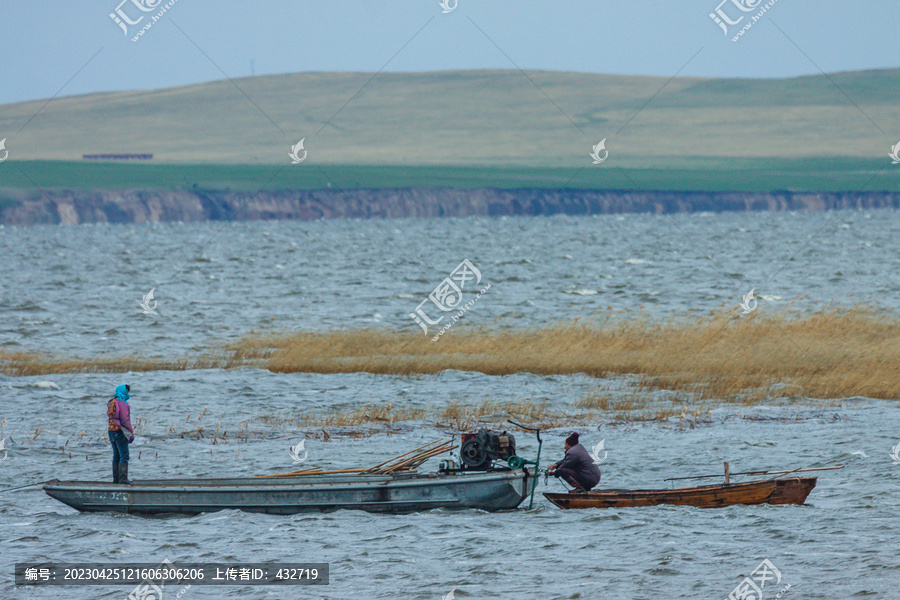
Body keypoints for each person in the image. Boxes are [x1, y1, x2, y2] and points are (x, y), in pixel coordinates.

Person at [107, 384, 135, 485]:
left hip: (111, 431)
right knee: (124, 455)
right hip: (120, 431)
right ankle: (123, 479)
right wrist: (131, 432)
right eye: (127, 391)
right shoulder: (122, 403)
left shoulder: (112, 402)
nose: (127, 393)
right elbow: (125, 420)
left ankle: (116, 479)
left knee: (116, 455)